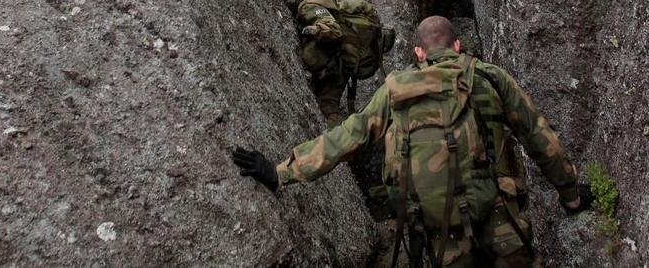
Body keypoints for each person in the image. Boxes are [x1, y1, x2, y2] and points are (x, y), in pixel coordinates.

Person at [232, 15, 595, 267]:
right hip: (502, 219)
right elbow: (540, 139)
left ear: (419, 52)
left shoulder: (398, 91)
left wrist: (282, 172)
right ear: (457, 44)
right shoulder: (490, 78)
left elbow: (349, 136)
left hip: (439, 228)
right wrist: (571, 196)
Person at [266, 0, 351, 127]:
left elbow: (334, 31)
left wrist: (312, 30)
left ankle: (342, 146)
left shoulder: (307, 5)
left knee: (328, 112)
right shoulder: (308, 0)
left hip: (333, 70)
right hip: (333, 64)